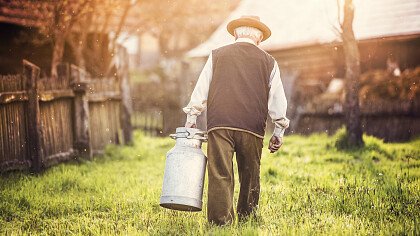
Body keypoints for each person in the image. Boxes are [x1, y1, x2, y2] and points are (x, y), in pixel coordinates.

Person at [183, 15, 289, 226]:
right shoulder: (269, 62)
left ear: (235, 35)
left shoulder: (217, 55)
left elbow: (201, 88)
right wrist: (279, 131)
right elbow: (277, 99)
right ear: (259, 38)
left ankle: (220, 222)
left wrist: (192, 116)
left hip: (220, 123)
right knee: (250, 174)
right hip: (252, 127)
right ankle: (248, 217)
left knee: (220, 173)